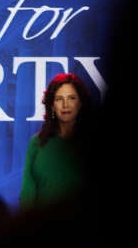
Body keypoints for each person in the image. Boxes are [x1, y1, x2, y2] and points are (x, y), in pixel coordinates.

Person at [19, 72, 93, 211]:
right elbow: (27, 196)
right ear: (52, 105)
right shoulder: (37, 143)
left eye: (71, 98)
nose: (65, 105)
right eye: (59, 99)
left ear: (80, 103)